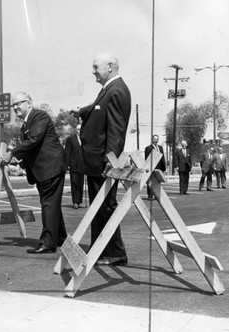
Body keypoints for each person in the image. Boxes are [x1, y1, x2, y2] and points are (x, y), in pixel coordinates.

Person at [71, 53, 131, 266]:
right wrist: (82, 111)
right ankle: (101, 250)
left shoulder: (116, 91)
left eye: (96, 67)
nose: (93, 71)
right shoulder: (108, 90)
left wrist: (110, 160)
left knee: (106, 206)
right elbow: (98, 109)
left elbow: (116, 130)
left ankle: (115, 253)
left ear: (111, 66)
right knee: (99, 207)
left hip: (103, 163)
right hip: (96, 162)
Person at [2, 92, 67, 254]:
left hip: (50, 168)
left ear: (29, 104)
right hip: (44, 170)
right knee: (51, 204)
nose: (15, 107)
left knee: (48, 204)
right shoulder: (25, 124)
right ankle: (60, 238)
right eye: (13, 105)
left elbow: (34, 140)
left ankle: (48, 243)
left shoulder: (39, 116)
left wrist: (12, 153)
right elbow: (32, 148)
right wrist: (21, 161)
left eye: (19, 103)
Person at [64, 127, 85, 208]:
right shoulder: (71, 139)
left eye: (81, 129)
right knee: (74, 183)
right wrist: (67, 165)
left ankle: (79, 201)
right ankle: (75, 202)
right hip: (74, 165)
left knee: (80, 183)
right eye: (79, 129)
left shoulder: (84, 139)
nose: (80, 131)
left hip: (82, 165)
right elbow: (67, 152)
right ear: (76, 130)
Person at [144, 134, 166, 200]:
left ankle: (157, 195)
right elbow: (147, 159)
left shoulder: (160, 148)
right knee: (151, 181)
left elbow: (163, 158)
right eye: (155, 139)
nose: (156, 141)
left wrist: (163, 168)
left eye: (157, 139)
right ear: (152, 140)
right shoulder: (148, 148)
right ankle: (150, 195)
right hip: (152, 167)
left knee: (158, 181)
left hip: (159, 167)